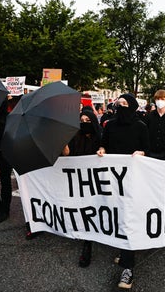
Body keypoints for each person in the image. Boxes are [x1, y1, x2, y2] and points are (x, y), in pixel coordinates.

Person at [96, 93, 149, 290]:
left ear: (133, 106)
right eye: (119, 104)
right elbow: (104, 144)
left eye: (126, 104)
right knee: (118, 216)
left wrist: (142, 153)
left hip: (134, 181)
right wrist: (101, 149)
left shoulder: (141, 127)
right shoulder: (109, 125)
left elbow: (148, 149)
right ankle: (125, 248)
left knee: (129, 218)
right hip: (113, 180)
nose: (122, 107)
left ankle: (128, 268)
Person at [62, 107, 102, 268]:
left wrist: (102, 151)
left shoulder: (100, 137)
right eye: (81, 121)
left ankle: (88, 244)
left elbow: (106, 151)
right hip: (78, 180)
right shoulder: (74, 136)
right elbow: (67, 154)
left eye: (87, 121)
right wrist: (62, 141)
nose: (84, 123)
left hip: (93, 181)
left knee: (91, 210)